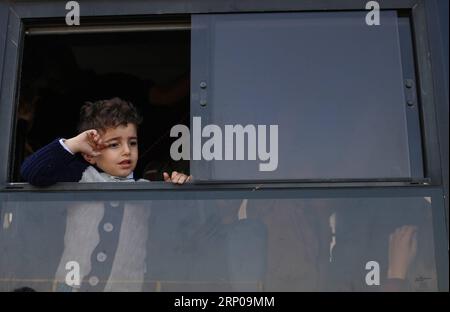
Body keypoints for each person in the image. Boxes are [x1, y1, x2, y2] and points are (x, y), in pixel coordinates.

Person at [20, 97, 191, 291]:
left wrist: (177, 188)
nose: (127, 151)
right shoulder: (81, 176)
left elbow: (175, 229)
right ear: (90, 153)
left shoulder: (147, 189)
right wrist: (74, 144)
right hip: (72, 286)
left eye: (132, 143)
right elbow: (31, 172)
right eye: (114, 145)